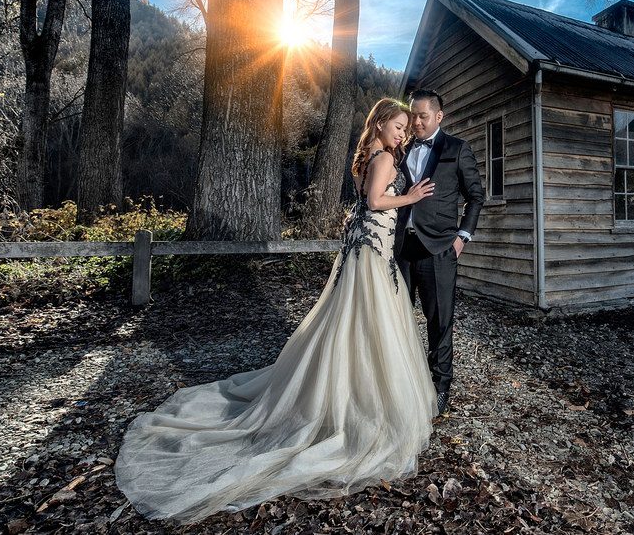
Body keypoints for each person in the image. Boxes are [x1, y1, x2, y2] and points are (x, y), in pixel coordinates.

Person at [114, 98, 439, 524]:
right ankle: (359, 404)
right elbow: (377, 203)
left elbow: (363, 206)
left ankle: (349, 390)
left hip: (367, 249)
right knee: (366, 324)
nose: (402, 133)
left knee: (351, 323)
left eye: (404, 128)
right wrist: (410, 196)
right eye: (397, 126)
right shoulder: (381, 160)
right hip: (372, 252)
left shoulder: (367, 157)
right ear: (379, 125)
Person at [395, 88, 485, 417]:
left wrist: (462, 238)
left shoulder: (458, 149)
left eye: (422, 116)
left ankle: (441, 385)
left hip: (439, 249)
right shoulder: (401, 149)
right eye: (412, 115)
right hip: (401, 247)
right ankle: (402, 382)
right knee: (397, 317)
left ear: (438, 116)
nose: (415, 122)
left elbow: (476, 197)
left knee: (439, 321)